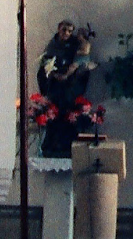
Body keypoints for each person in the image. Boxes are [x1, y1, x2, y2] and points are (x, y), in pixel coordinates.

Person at [37, 20, 94, 156]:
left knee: (68, 115)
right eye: (64, 30)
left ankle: (67, 147)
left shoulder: (75, 44)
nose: (66, 33)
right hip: (55, 86)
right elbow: (45, 64)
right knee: (55, 116)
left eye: (70, 31)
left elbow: (82, 62)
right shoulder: (52, 45)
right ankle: (51, 146)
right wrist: (53, 74)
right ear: (58, 29)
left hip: (70, 86)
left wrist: (71, 73)